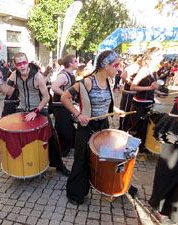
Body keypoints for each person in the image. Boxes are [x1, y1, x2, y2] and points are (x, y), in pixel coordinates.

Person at [61, 50, 124, 204]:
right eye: (116, 65)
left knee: (102, 159)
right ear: (106, 66)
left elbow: (106, 104)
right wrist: (78, 114)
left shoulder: (109, 81)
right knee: (81, 160)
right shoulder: (87, 82)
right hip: (87, 127)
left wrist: (115, 110)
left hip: (103, 125)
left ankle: (103, 186)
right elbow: (65, 98)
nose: (118, 68)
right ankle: (76, 194)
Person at [0, 52, 70, 176]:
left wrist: (36, 112)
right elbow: (6, 92)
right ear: (15, 65)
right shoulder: (14, 75)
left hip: (39, 109)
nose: (22, 66)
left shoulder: (37, 77)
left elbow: (46, 97)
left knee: (52, 137)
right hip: (24, 110)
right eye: (19, 63)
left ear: (27, 62)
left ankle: (59, 165)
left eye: (24, 62)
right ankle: (28, 164)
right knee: (19, 136)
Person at [148, 92, 178, 225]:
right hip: (175, 134)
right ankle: (160, 209)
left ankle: (173, 211)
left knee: (177, 177)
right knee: (167, 175)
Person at [128, 47, 164, 153]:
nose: (161, 58)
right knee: (135, 129)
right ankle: (130, 149)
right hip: (139, 105)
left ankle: (141, 149)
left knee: (144, 128)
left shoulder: (153, 71)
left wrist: (157, 92)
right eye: (159, 55)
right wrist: (150, 88)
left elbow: (150, 87)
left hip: (148, 103)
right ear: (152, 57)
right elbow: (133, 87)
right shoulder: (144, 69)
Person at [51, 54, 78, 157]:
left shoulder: (71, 74)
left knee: (69, 128)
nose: (77, 63)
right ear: (70, 63)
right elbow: (54, 87)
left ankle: (69, 146)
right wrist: (66, 96)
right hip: (60, 106)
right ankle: (61, 151)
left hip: (66, 105)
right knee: (64, 129)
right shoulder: (63, 75)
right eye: (75, 61)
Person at [119, 55, 142, 131]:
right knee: (125, 114)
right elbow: (123, 76)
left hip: (135, 94)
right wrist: (132, 84)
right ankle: (121, 131)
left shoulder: (143, 68)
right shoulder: (135, 66)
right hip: (129, 93)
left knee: (130, 116)